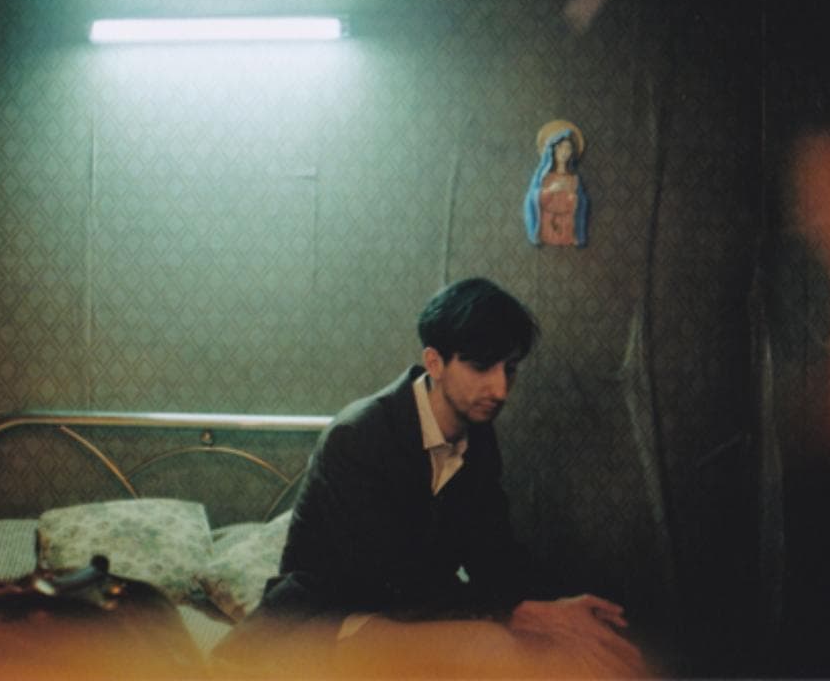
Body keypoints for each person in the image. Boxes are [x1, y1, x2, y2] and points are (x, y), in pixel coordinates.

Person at [215, 278, 646, 678]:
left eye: (510, 368)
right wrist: (516, 613)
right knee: (490, 645)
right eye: (482, 366)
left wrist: (556, 608)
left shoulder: (477, 437)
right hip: (324, 619)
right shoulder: (360, 436)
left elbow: (493, 551)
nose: (500, 389)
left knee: (575, 646)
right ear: (434, 363)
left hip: (403, 614)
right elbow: (393, 582)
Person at [524, 119, 589, 247]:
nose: (564, 152)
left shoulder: (574, 179)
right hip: (547, 228)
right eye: (560, 147)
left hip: (567, 229)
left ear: (572, 152)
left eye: (568, 148)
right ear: (553, 150)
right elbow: (532, 199)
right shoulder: (544, 177)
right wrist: (551, 190)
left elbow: (581, 204)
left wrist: (572, 197)